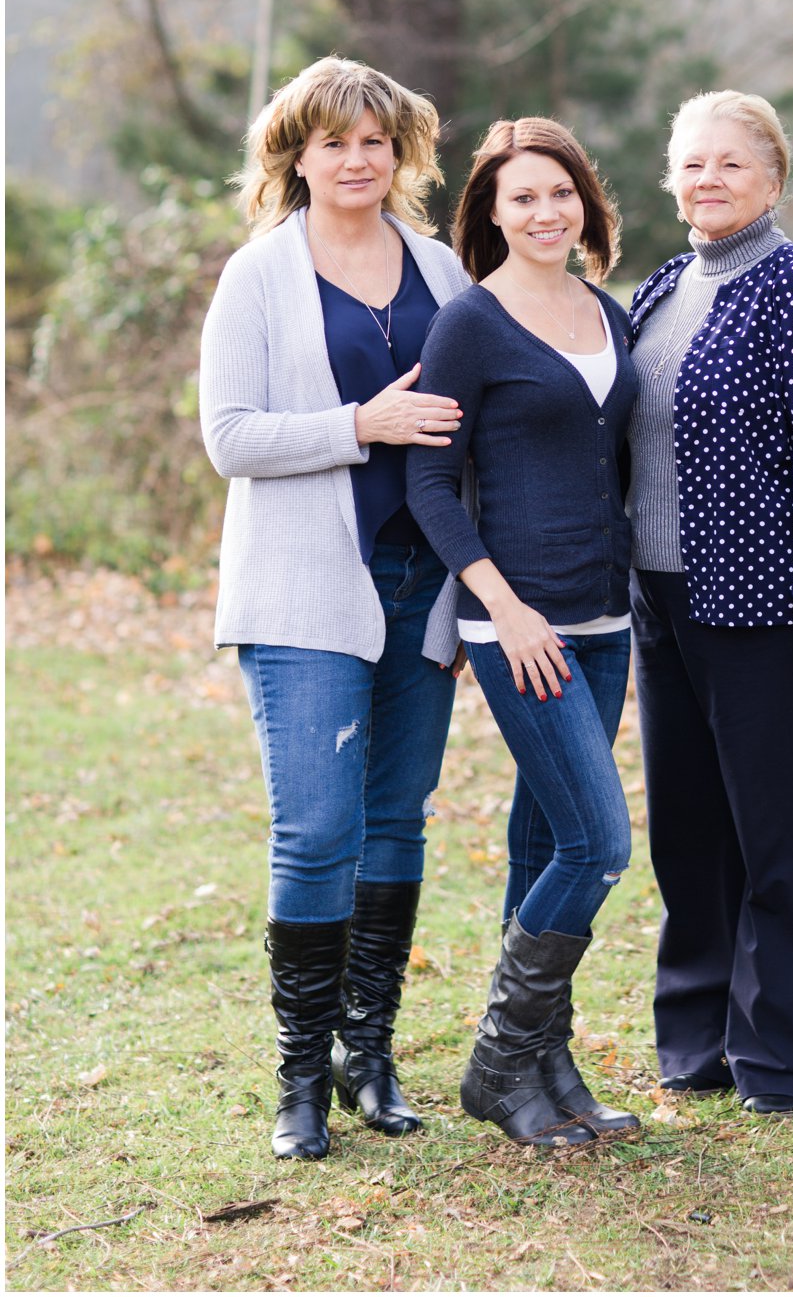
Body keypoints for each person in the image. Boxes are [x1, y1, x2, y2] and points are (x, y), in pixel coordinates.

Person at [199, 56, 469, 1160]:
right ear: (296, 156)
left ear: (400, 151)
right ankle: (301, 1078)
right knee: (317, 832)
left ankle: (371, 1055)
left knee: (396, 821)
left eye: (374, 140)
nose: (357, 159)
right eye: (333, 142)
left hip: (424, 584)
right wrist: (361, 425)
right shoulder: (258, 276)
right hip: (304, 590)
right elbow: (230, 437)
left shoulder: (443, 269)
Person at [626, 89, 793, 1116]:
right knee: (689, 834)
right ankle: (700, 1040)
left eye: (731, 162)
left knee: (783, 836)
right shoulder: (661, 286)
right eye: (693, 163)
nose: (709, 179)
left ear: (772, 181)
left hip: (776, 611)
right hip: (661, 604)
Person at [407, 118, 640, 1148]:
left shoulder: (607, 312)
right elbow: (428, 482)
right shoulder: (470, 322)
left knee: (543, 838)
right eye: (523, 197)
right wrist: (500, 606)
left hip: (607, 617)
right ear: (492, 215)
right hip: (521, 624)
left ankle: (549, 1066)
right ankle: (499, 1063)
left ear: (585, 202)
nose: (546, 212)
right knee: (598, 841)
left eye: (560, 193)